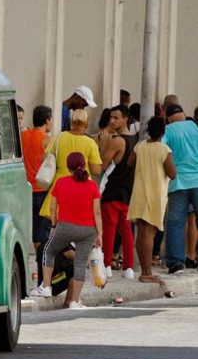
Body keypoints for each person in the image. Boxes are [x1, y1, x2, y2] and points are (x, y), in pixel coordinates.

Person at [31, 152, 103, 309]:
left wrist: (55, 225)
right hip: (88, 230)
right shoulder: (92, 185)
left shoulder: (61, 182)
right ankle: (75, 301)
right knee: (80, 263)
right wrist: (99, 234)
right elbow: (97, 212)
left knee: (49, 251)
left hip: (65, 227)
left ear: (67, 166)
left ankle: (46, 286)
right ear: (84, 165)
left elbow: (52, 207)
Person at [127, 117, 176, 283]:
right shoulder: (164, 149)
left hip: (139, 193)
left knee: (141, 232)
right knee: (149, 233)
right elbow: (172, 174)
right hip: (155, 195)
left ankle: (144, 271)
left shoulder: (140, 146)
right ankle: (147, 273)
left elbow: (130, 162)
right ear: (162, 132)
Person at [40, 109, 102, 220]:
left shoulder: (59, 138)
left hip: (60, 186)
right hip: (83, 189)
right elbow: (96, 170)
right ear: (86, 124)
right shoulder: (91, 143)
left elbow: (43, 158)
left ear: (70, 122)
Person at [98, 105, 137, 279]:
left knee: (109, 229)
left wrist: (104, 144)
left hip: (113, 191)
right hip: (128, 192)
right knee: (126, 230)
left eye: (116, 117)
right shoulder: (136, 141)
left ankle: (106, 264)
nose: (112, 121)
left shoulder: (117, 141)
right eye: (111, 117)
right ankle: (128, 266)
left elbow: (101, 166)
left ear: (125, 119)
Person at [162, 104, 198, 274]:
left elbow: (160, 151)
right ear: (183, 114)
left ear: (168, 118)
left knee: (176, 223)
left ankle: (176, 263)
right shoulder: (194, 127)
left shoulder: (168, 131)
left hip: (178, 182)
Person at [21, 105, 53, 250]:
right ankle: (42, 266)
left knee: (30, 229)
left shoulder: (23, 136)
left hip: (25, 189)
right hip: (41, 189)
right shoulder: (47, 140)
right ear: (47, 120)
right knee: (41, 233)